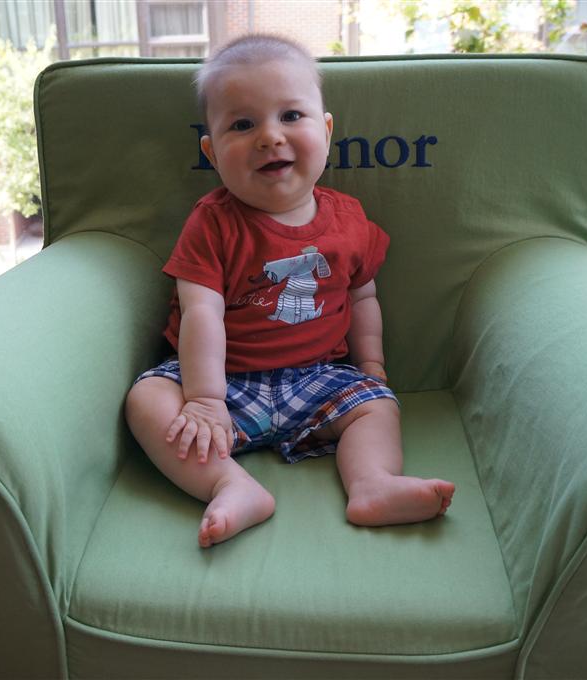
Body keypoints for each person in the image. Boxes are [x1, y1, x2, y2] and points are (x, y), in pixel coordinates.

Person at [125, 34, 455, 548]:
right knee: (147, 400)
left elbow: (363, 298)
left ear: (326, 131)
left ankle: (372, 484)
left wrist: (372, 366)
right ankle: (229, 485)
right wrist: (206, 400)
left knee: (376, 406)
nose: (269, 137)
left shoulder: (348, 220)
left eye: (291, 116)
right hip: (224, 384)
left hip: (318, 378)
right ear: (212, 153)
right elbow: (200, 313)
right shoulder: (211, 223)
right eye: (242, 125)